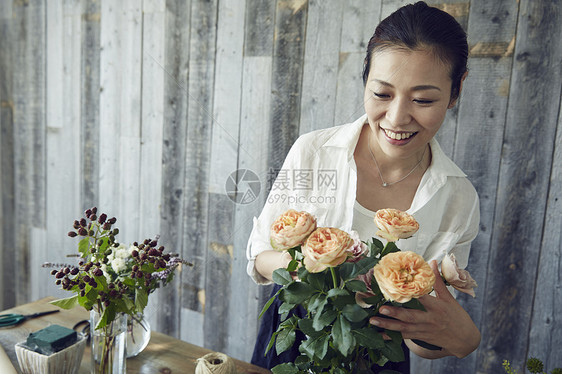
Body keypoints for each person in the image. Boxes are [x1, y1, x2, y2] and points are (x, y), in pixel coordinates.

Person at [246, 2, 481, 372]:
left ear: (457, 89)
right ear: (365, 79)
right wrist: (320, 271)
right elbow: (260, 255)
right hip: (294, 342)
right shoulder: (314, 151)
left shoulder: (457, 198)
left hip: (376, 358)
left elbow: (420, 336)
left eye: (423, 99)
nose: (397, 117)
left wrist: (461, 340)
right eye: (382, 94)